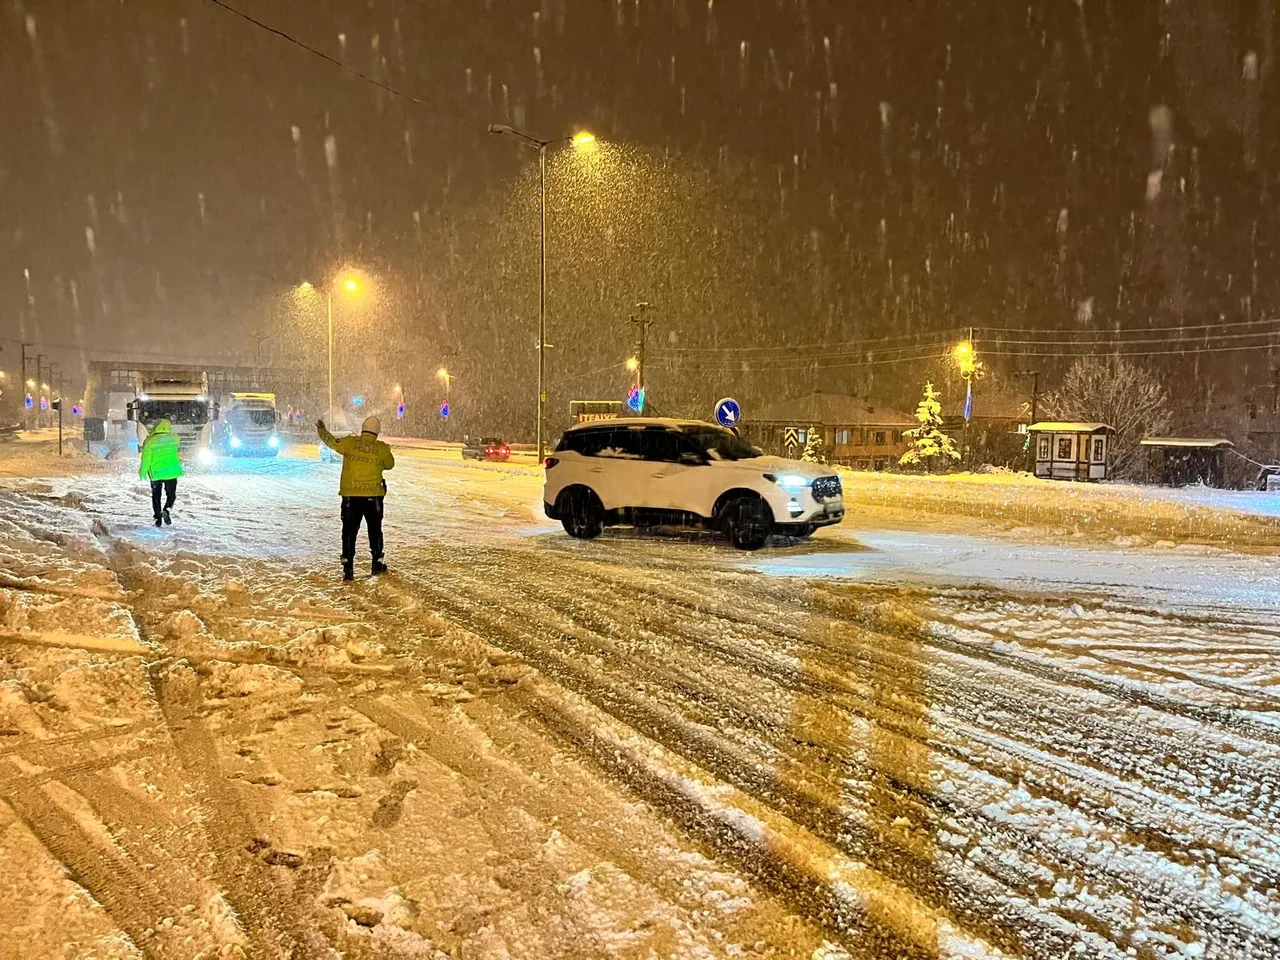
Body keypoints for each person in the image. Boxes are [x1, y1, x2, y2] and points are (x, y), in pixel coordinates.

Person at [317, 415, 395, 581]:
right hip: (373, 498)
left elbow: (331, 442)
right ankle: (376, 563)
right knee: (375, 531)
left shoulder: (350, 443)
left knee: (349, 532)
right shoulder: (381, 448)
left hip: (351, 498)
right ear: (377, 432)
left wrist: (322, 431)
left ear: (363, 429)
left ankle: (348, 567)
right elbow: (390, 464)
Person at [138, 418, 183, 527]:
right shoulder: (174, 439)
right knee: (171, 495)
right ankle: (166, 510)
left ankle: (158, 518)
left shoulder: (150, 441)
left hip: (156, 473)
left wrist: (143, 472)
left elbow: (146, 458)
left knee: (156, 496)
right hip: (171, 472)